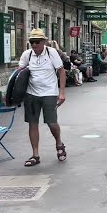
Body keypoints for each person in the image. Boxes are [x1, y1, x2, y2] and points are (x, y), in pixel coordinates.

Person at [19, 29, 67, 167]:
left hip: (49, 93)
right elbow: (20, 74)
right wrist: (14, 95)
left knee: (52, 123)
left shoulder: (51, 53)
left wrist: (61, 92)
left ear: (44, 42)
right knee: (32, 123)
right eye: (31, 42)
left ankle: (59, 143)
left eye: (37, 42)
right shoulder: (27, 55)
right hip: (31, 94)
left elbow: (61, 71)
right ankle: (35, 155)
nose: (34, 44)